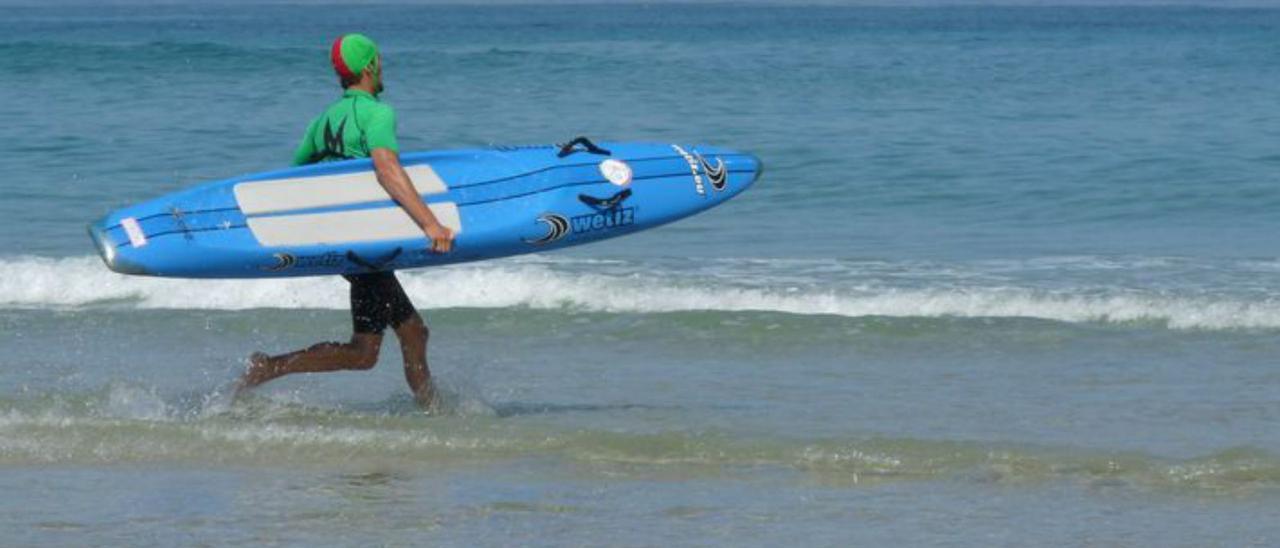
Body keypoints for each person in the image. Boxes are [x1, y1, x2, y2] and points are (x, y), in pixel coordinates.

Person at [236, 34, 455, 408]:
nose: (382, 66)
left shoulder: (321, 121)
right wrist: (430, 224)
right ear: (369, 66)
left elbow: (292, 181)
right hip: (363, 246)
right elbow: (387, 169)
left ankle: (270, 366)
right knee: (401, 337)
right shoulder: (377, 113)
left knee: (372, 349)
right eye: (379, 60)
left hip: (344, 245)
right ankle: (435, 415)